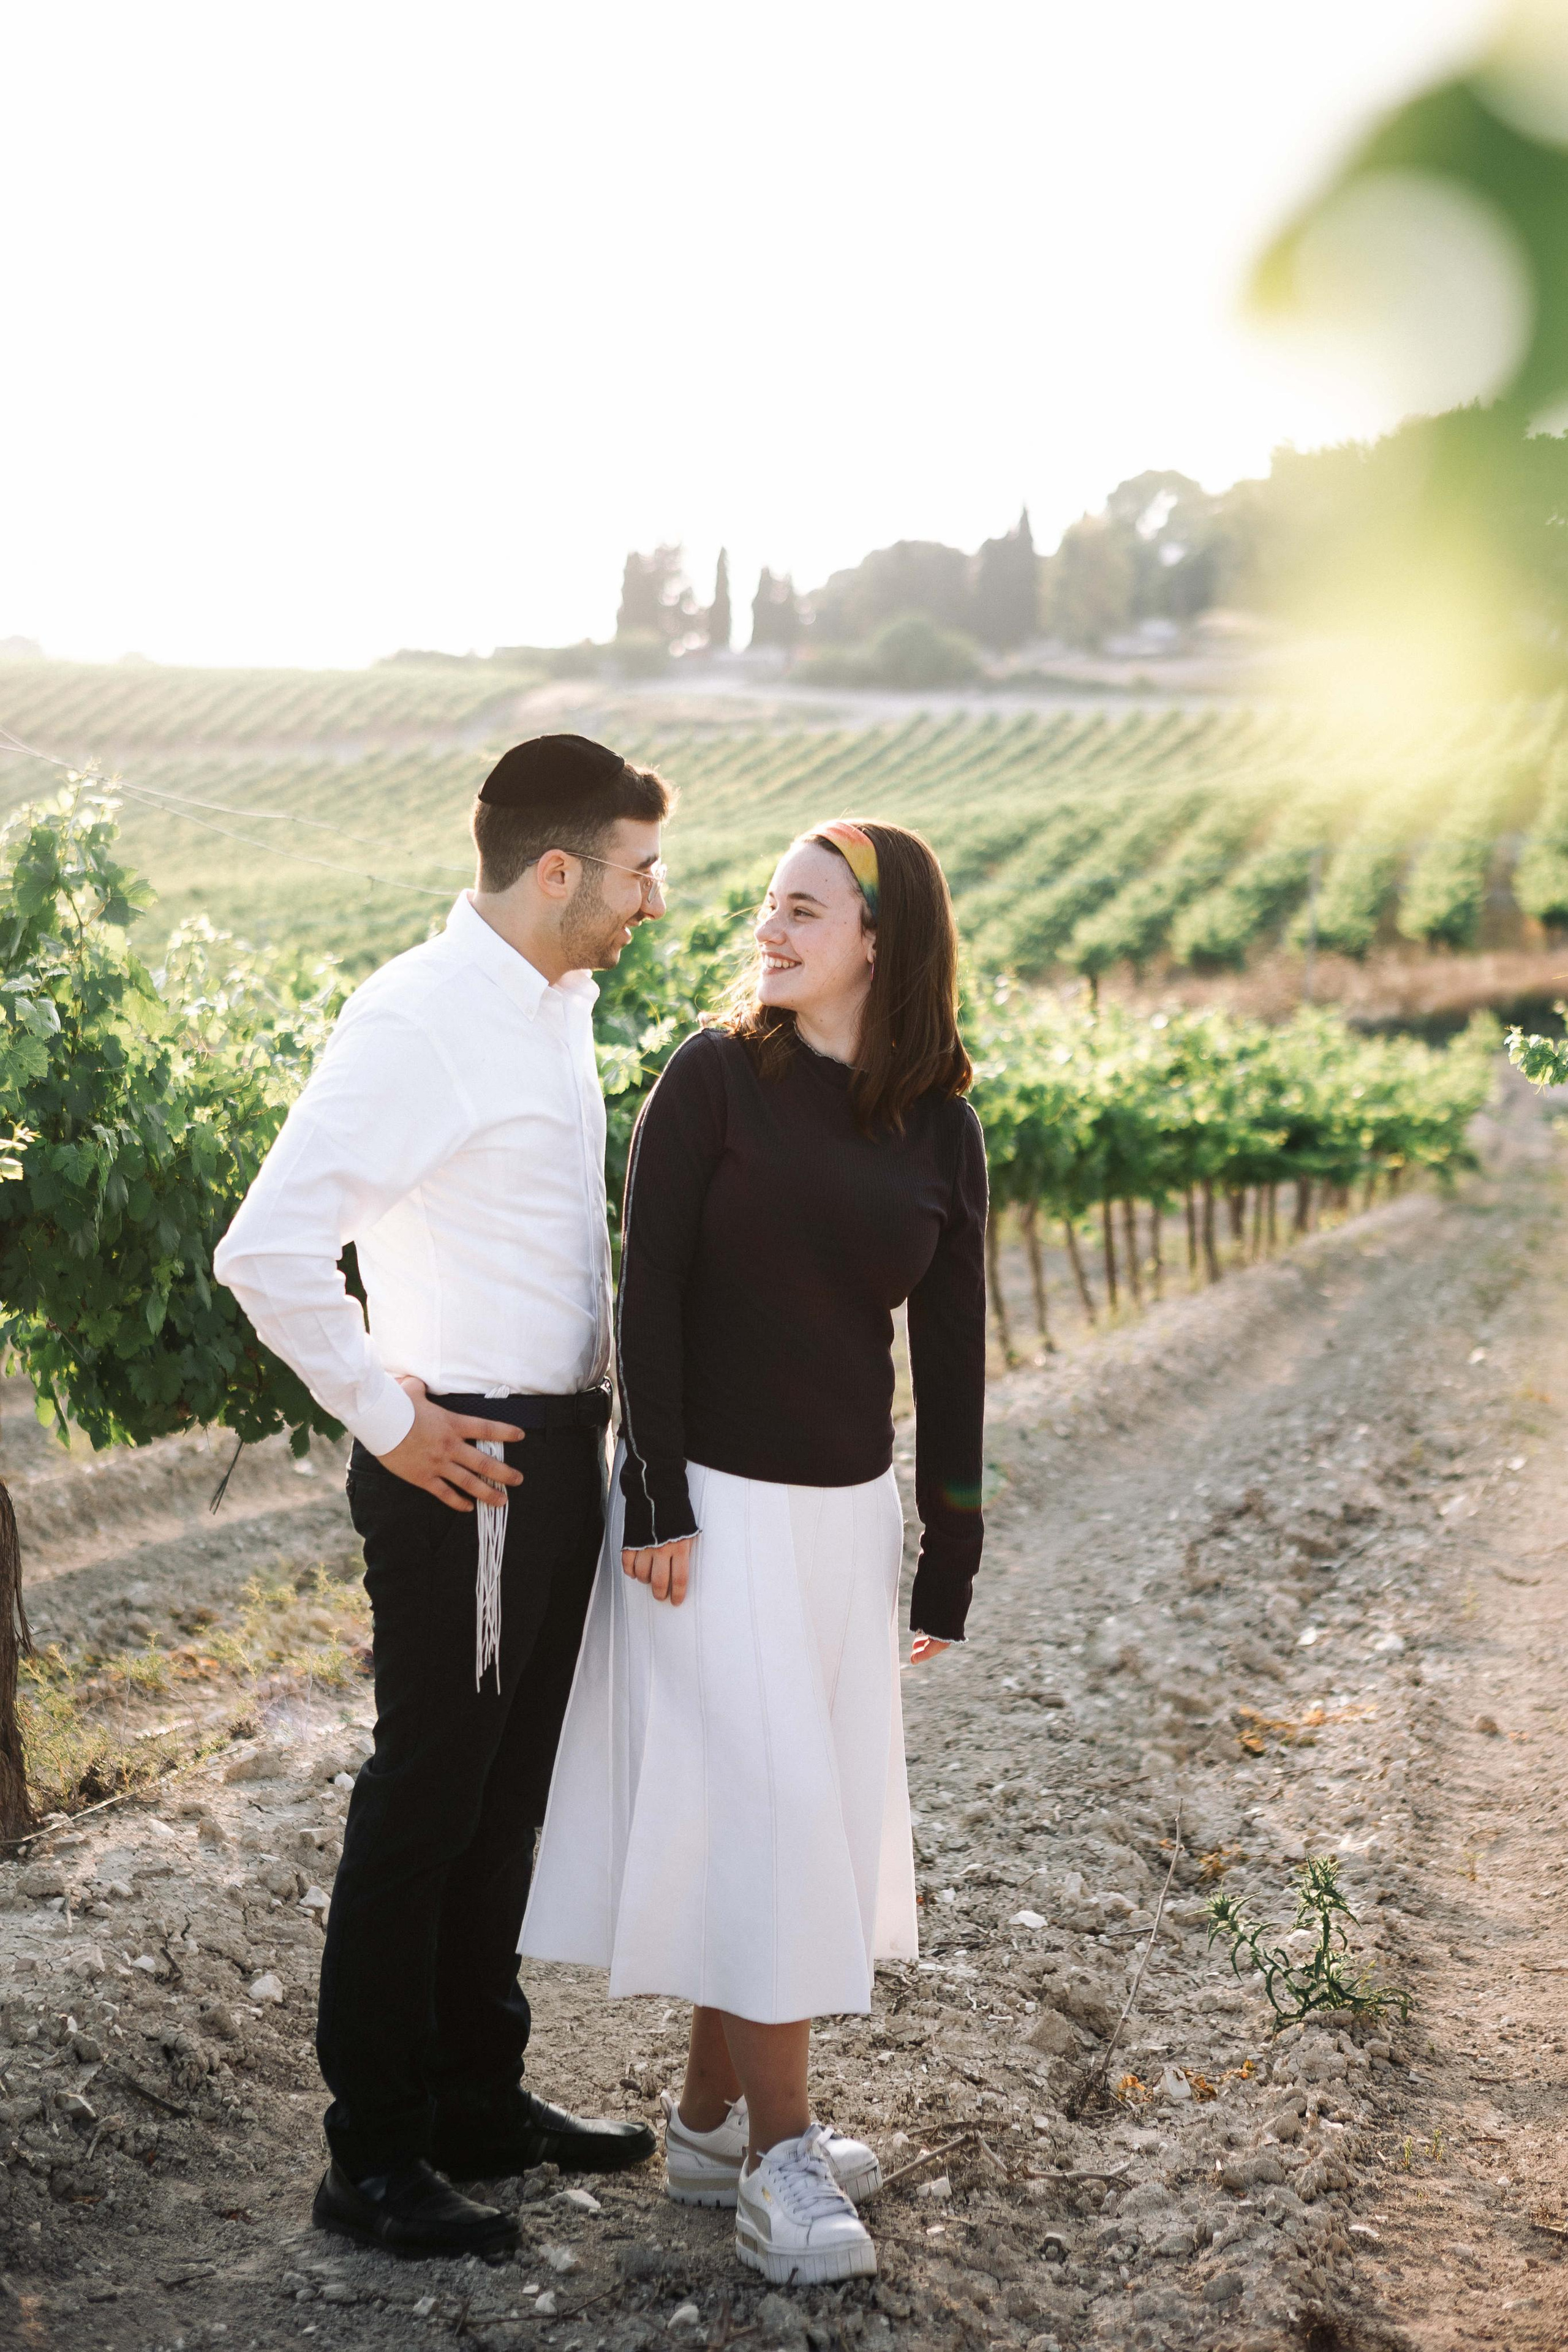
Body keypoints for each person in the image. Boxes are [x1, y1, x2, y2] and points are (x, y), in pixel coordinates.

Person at [214, 733, 669, 2259]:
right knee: (425, 1806)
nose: (653, 902)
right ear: (556, 870)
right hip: (461, 1471)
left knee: (503, 1802)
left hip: (551, 1462)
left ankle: (479, 2097)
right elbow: (268, 1248)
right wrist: (386, 1413)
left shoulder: (551, 1003)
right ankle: (374, 2156)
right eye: (636, 870)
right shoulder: (419, 1019)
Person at [521, 817, 988, 2285]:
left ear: (877, 940)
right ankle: (780, 2161)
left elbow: (959, 1356)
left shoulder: (940, 1128)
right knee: (776, 1814)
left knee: (795, 1807)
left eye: (803, 910)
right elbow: (643, 1287)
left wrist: (949, 1547)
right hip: (702, 1515)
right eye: (767, 908)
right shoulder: (712, 1080)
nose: (768, 931)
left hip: (843, 1522)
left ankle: (711, 2124)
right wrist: (652, 1493)